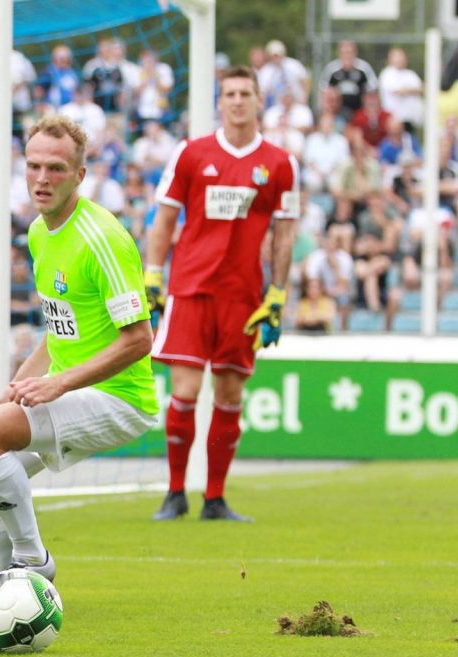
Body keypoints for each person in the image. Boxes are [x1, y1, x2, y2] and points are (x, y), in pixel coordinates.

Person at [0, 115, 158, 596]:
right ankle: (5, 586)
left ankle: (33, 564)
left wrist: (58, 384)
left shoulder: (102, 238)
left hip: (119, 398)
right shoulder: (40, 234)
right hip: (72, 390)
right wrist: (21, 380)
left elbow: (140, 340)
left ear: (80, 176)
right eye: (34, 166)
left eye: (56, 169)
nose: (42, 179)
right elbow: (58, 328)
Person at [144, 66, 299, 523]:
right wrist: (154, 275)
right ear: (219, 101)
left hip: (244, 296)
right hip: (191, 287)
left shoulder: (280, 163)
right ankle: (175, 493)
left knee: (230, 395)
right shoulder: (191, 154)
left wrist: (278, 294)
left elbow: (285, 234)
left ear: (258, 101)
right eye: (229, 93)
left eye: (244, 93)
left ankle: (215, 498)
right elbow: (165, 218)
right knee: (186, 390)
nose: (236, 101)